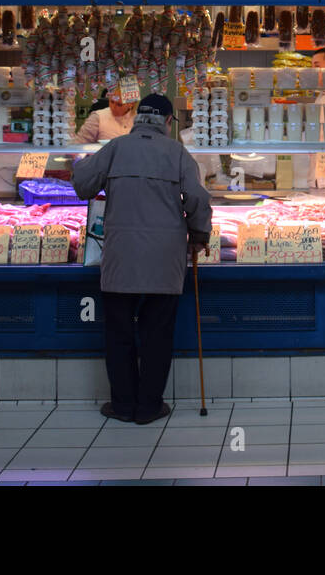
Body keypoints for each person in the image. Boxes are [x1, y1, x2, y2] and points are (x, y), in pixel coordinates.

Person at [71, 94, 212, 424]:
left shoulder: (116, 148)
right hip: (166, 260)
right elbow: (197, 198)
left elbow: (81, 184)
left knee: (119, 332)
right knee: (157, 333)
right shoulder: (177, 152)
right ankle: (149, 406)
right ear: (165, 122)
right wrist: (200, 235)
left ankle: (122, 405)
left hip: (121, 256)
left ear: (138, 119)